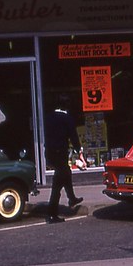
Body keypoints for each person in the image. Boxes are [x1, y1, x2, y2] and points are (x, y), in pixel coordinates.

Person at [45, 94, 83, 223]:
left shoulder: (49, 117)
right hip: (60, 152)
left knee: (66, 173)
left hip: (50, 152)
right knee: (57, 184)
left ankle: (72, 198)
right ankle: (52, 214)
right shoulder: (67, 118)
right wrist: (79, 150)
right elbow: (73, 136)